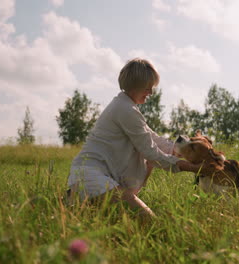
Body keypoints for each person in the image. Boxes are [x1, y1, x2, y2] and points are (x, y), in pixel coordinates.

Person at [67, 58, 200, 217]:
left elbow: (154, 140)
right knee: (147, 219)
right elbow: (152, 154)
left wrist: (185, 150)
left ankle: (68, 200)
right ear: (136, 85)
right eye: (148, 87)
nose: (151, 92)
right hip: (91, 178)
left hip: (91, 178)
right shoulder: (126, 110)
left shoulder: (126, 107)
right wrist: (194, 168)